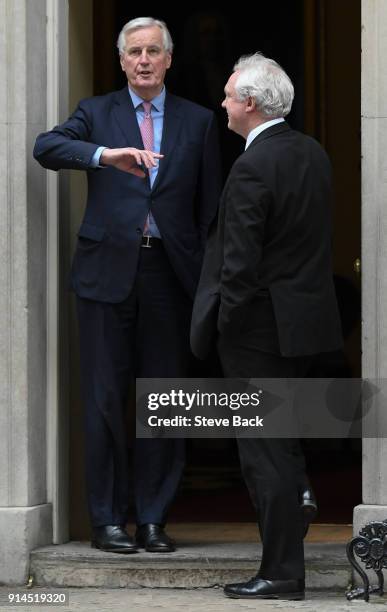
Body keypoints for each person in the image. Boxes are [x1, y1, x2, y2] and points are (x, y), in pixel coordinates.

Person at [34, 17, 221, 554]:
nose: (143, 59)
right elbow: (46, 148)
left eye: (153, 51)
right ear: (121, 61)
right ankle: (108, 520)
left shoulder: (200, 120)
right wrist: (103, 155)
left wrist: (206, 273)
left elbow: (209, 206)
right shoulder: (96, 113)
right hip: (105, 275)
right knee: (105, 399)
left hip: (169, 273)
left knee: (164, 399)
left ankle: (154, 517)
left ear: (168, 60)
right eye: (134, 51)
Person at [191, 53, 343, 600]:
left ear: (250, 104)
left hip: (258, 331)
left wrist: (226, 326)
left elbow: (241, 259)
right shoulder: (312, 152)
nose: (223, 103)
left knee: (264, 453)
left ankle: (281, 573)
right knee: (285, 441)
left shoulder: (253, 164)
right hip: (303, 329)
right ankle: (299, 497)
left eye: (230, 94)